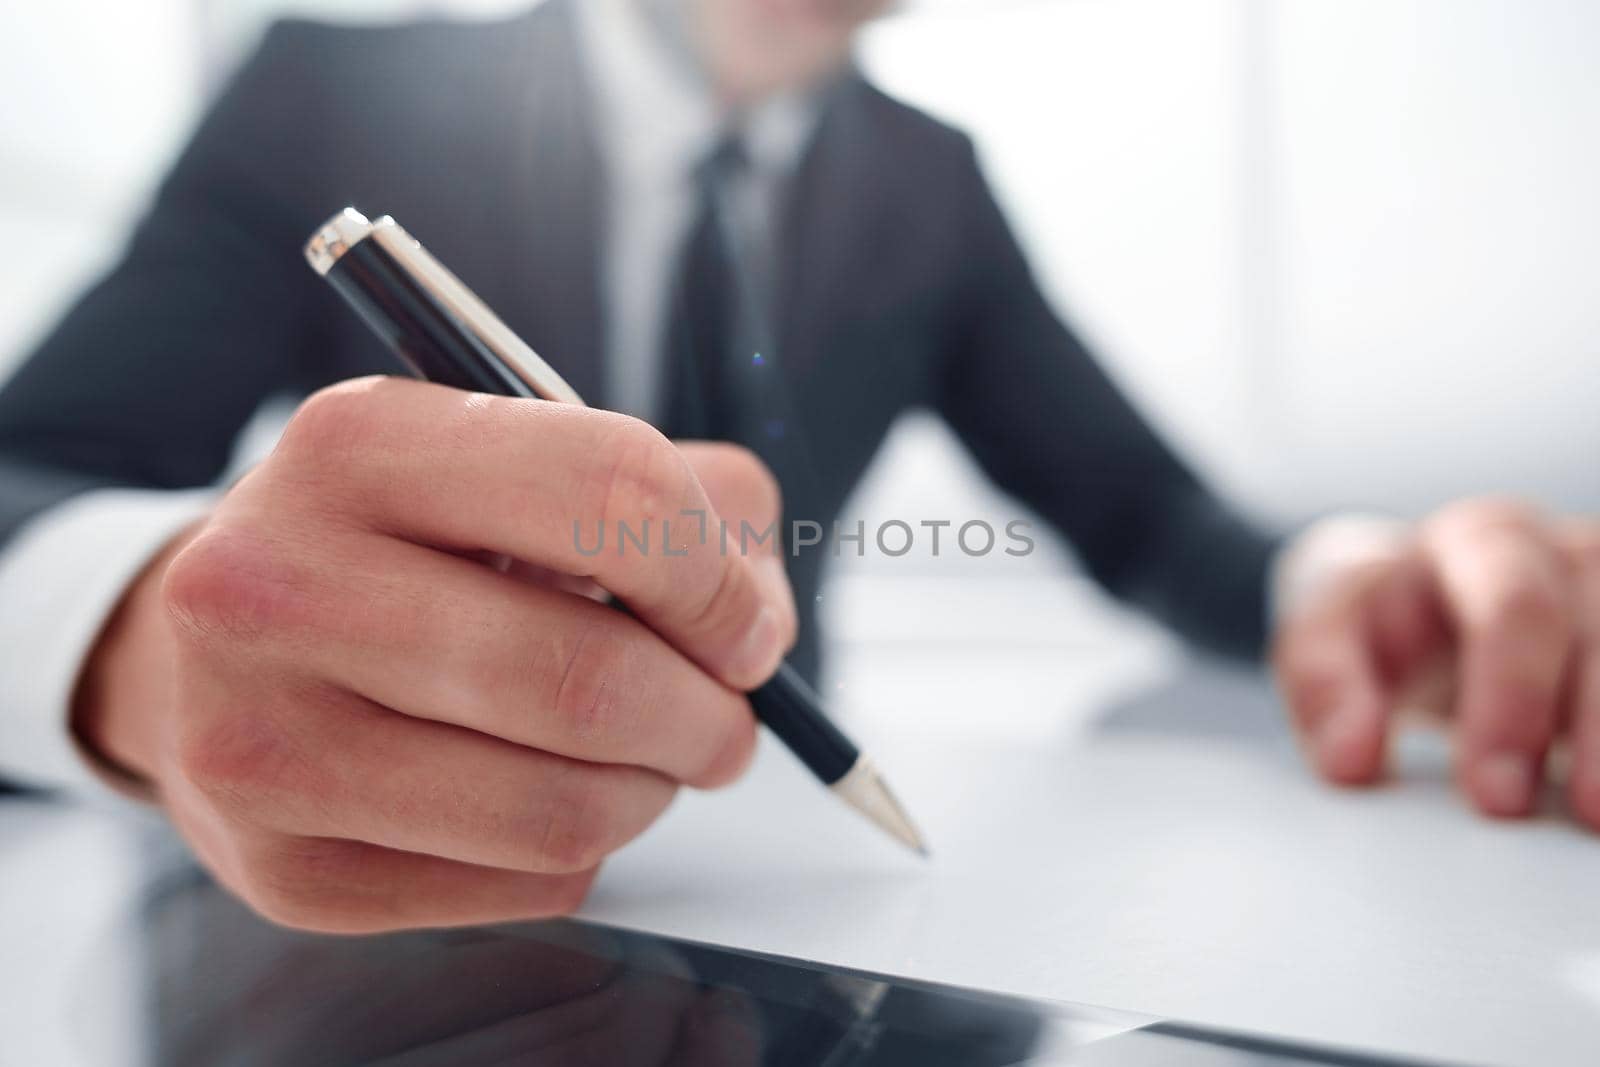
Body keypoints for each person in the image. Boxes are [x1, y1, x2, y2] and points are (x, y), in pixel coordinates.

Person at [0, 0, 1594, 933]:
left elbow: (1145, 511)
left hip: (799, 900)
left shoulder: (932, 186)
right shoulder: (325, 94)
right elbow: (28, 475)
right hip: (364, 949)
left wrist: (1353, 580)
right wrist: (133, 645)